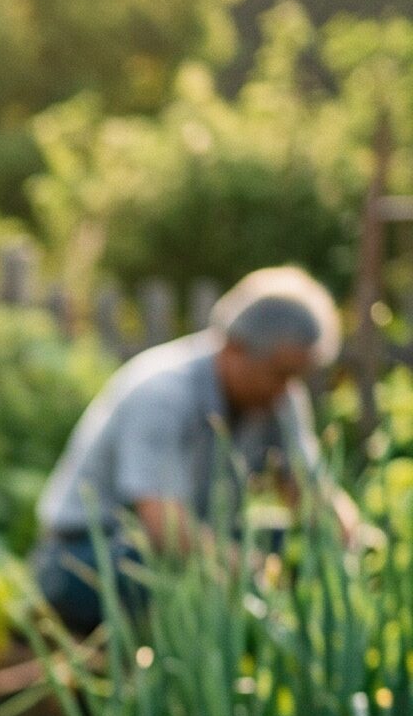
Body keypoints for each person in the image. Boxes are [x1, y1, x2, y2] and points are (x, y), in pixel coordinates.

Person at [31, 266, 360, 633]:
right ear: (234, 347)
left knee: (286, 547)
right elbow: (163, 525)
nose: (287, 389)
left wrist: (351, 544)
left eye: (297, 377)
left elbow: (309, 491)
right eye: (279, 372)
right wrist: (250, 570)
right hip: (90, 554)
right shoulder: (163, 392)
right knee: (175, 577)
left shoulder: (279, 399)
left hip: (190, 545)